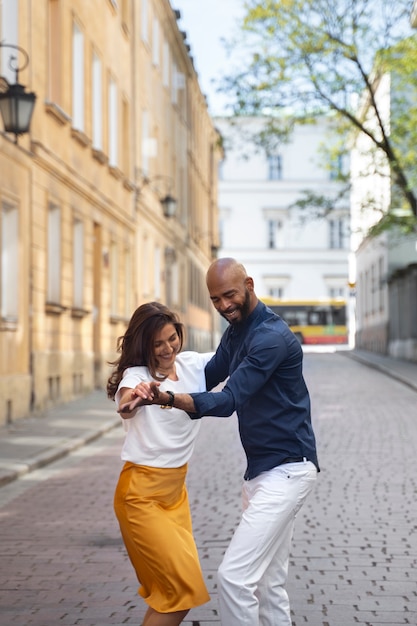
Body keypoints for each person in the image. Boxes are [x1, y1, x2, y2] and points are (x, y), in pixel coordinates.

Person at [125, 258, 320, 626]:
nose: (223, 306)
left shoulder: (270, 338)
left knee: (233, 577)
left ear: (248, 284)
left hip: (289, 471)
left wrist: (167, 398)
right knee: (269, 582)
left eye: (229, 295)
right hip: (261, 474)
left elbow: (229, 399)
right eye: (215, 299)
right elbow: (207, 374)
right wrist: (153, 365)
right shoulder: (236, 331)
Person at [107, 302, 212, 626]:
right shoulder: (136, 375)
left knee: (173, 595)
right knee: (179, 594)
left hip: (175, 497)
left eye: (172, 338)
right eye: (158, 344)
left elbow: (237, 352)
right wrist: (136, 398)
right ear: (144, 346)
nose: (168, 349)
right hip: (141, 496)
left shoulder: (194, 364)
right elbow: (125, 405)